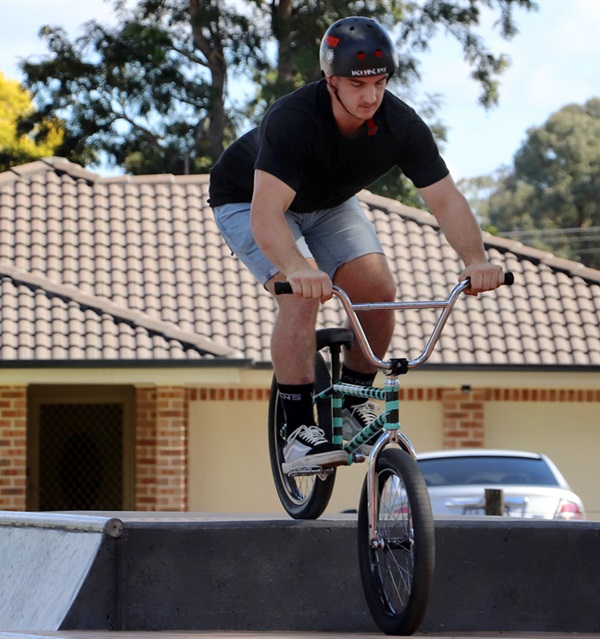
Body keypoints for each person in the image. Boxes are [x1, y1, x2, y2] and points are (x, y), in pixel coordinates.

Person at [209, 16, 505, 472]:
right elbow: (267, 215)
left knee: (377, 290)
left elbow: (445, 199)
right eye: (356, 84)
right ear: (330, 80)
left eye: (380, 83)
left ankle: (353, 401)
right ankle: (295, 433)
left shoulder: (400, 124)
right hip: (250, 198)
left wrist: (476, 259)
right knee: (300, 298)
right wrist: (298, 267)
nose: (370, 96)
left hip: (329, 203)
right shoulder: (293, 120)